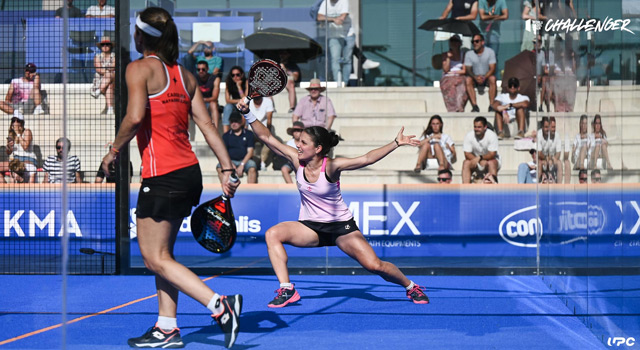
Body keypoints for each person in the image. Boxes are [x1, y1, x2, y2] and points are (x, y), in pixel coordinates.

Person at [99, 8, 242, 349]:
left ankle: (220, 306)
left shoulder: (138, 69)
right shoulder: (186, 74)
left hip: (162, 174)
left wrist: (113, 151)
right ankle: (167, 328)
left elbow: (134, 118)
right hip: (189, 172)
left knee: (153, 258)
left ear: (140, 36)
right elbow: (207, 126)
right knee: (164, 255)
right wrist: (226, 168)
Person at [236, 99, 430, 307]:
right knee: (272, 234)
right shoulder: (295, 160)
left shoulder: (332, 167)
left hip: (341, 229)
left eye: (303, 143)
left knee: (376, 266)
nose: (297, 146)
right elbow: (266, 136)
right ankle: (287, 289)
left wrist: (395, 143)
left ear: (318, 148)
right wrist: (248, 114)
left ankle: (411, 287)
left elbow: (366, 159)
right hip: (310, 227)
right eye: (298, 141)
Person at [317, 0, 353, 83]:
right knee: (334, 59)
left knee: (347, 60)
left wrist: (327, 18)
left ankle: (345, 83)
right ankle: (338, 82)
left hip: (348, 34)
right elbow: (319, 17)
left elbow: (342, 18)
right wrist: (333, 19)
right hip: (333, 35)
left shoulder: (343, 1)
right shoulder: (325, 3)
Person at [218, 113, 258, 184]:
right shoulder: (226, 136)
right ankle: (227, 189)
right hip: (230, 161)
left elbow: (250, 152)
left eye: (236, 121)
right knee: (219, 167)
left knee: (252, 166)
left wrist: (242, 165)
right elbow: (224, 153)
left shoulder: (249, 134)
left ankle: (251, 191)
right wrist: (230, 164)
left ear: (241, 122)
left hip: (245, 161)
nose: (234, 124)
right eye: (232, 121)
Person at [462, 116, 500, 184]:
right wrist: (479, 161)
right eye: (475, 127)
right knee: (466, 163)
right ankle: (465, 189)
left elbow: (492, 154)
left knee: (492, 163)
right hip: (475, 161)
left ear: (485, 127)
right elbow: (467, 154)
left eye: (479, 127)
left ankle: (494, 189)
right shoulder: (469, 135)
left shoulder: (492, 135)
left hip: (490, 160)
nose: (476, 129)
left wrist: (480, 158)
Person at [464, 34, 497, 113]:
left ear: (482, 42)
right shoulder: (469, 54)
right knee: (468, 80)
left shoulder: (490, 52)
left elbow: (492, 68)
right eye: (473, 42)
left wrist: (484, 77)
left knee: (493, 78)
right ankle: (475, 106)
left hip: (486, 77)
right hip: (475, 77)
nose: (475, 43)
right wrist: (475, 77)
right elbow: (468, 69)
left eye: (477, 41)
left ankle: (492, 105)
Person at [439, 35, 468, 112]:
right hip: (448, 77)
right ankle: (452, 109)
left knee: (461, 87)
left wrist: (454, 72)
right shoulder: (445, 54)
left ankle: (459, 108)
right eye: (452, 41)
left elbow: (464, 70)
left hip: (459, 76)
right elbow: (445, 69)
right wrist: (448, 58)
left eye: (456, 41)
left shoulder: (463, 54)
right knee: (449, 86)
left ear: (460, 43)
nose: (454, 43)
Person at [91, 36, 116, 115]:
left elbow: (113, 66)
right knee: (109, 86)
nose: (105, 46)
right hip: (100, 79)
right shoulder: (97, 57)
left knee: (111, 76)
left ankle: (98, 90)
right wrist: (107, 72)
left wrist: (107, 72)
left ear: (110, 46)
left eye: (107, 44)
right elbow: (98, 69)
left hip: (113, 77)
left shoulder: (114, 56)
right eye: (103, 45)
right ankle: (110, 109)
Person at [249, 96, 275, 170]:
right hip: (251, 129)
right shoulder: (248, 102)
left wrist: (267, 132)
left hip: (263, 128)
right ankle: (252, 161)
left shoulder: (268, 101)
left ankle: (262, 163)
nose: (257, 99)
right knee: (247, 137)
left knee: (269, 140)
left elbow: (269, 120)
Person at [537, 116, 563, 183]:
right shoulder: (540, 134)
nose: (553, 129)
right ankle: (536, 186)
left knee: (559, 163)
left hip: (552, 159)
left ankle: (559, 188)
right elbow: (539, 153)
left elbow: (558, 153)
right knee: (540, 163)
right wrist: (546, 158)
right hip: (542, 160)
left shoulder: (557, 135)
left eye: (554, 127)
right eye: (552, 127)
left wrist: (553, 158)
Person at [222, 66, 248, 134]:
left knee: (244, 107)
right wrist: (239, 101)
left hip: (244, 104)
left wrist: (239, 86)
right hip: (234, 104)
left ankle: (245, 133)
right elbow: (227, 100)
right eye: (233, 75)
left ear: (242, 75)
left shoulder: (246, 82)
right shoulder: (228, 83)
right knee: (227, 107)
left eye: (237, 75)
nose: (235, 77)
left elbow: (245, 99)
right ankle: (226, 134)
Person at [195, 61, 221, 128]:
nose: (201, 71)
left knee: (213, 104)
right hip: (198, 105)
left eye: (203, 69)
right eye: (198, 69)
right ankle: (186, 134)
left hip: (209, 103)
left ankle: (215, 130)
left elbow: (215, 97)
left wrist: (202, 99)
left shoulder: (215, 78)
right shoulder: (194, 78)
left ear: (207, 69)